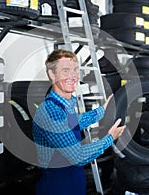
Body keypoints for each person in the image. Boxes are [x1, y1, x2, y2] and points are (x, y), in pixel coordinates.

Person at [32, 49, 125, 195]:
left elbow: (75, 122)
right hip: (56, 189)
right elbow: (78, 157)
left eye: (75, 70)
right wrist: (109, 138)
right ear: (52, 74)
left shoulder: (64, 105)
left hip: (73, 185)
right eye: (65, 71)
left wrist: (102, 111)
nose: (73, 76)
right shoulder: (51, 111)